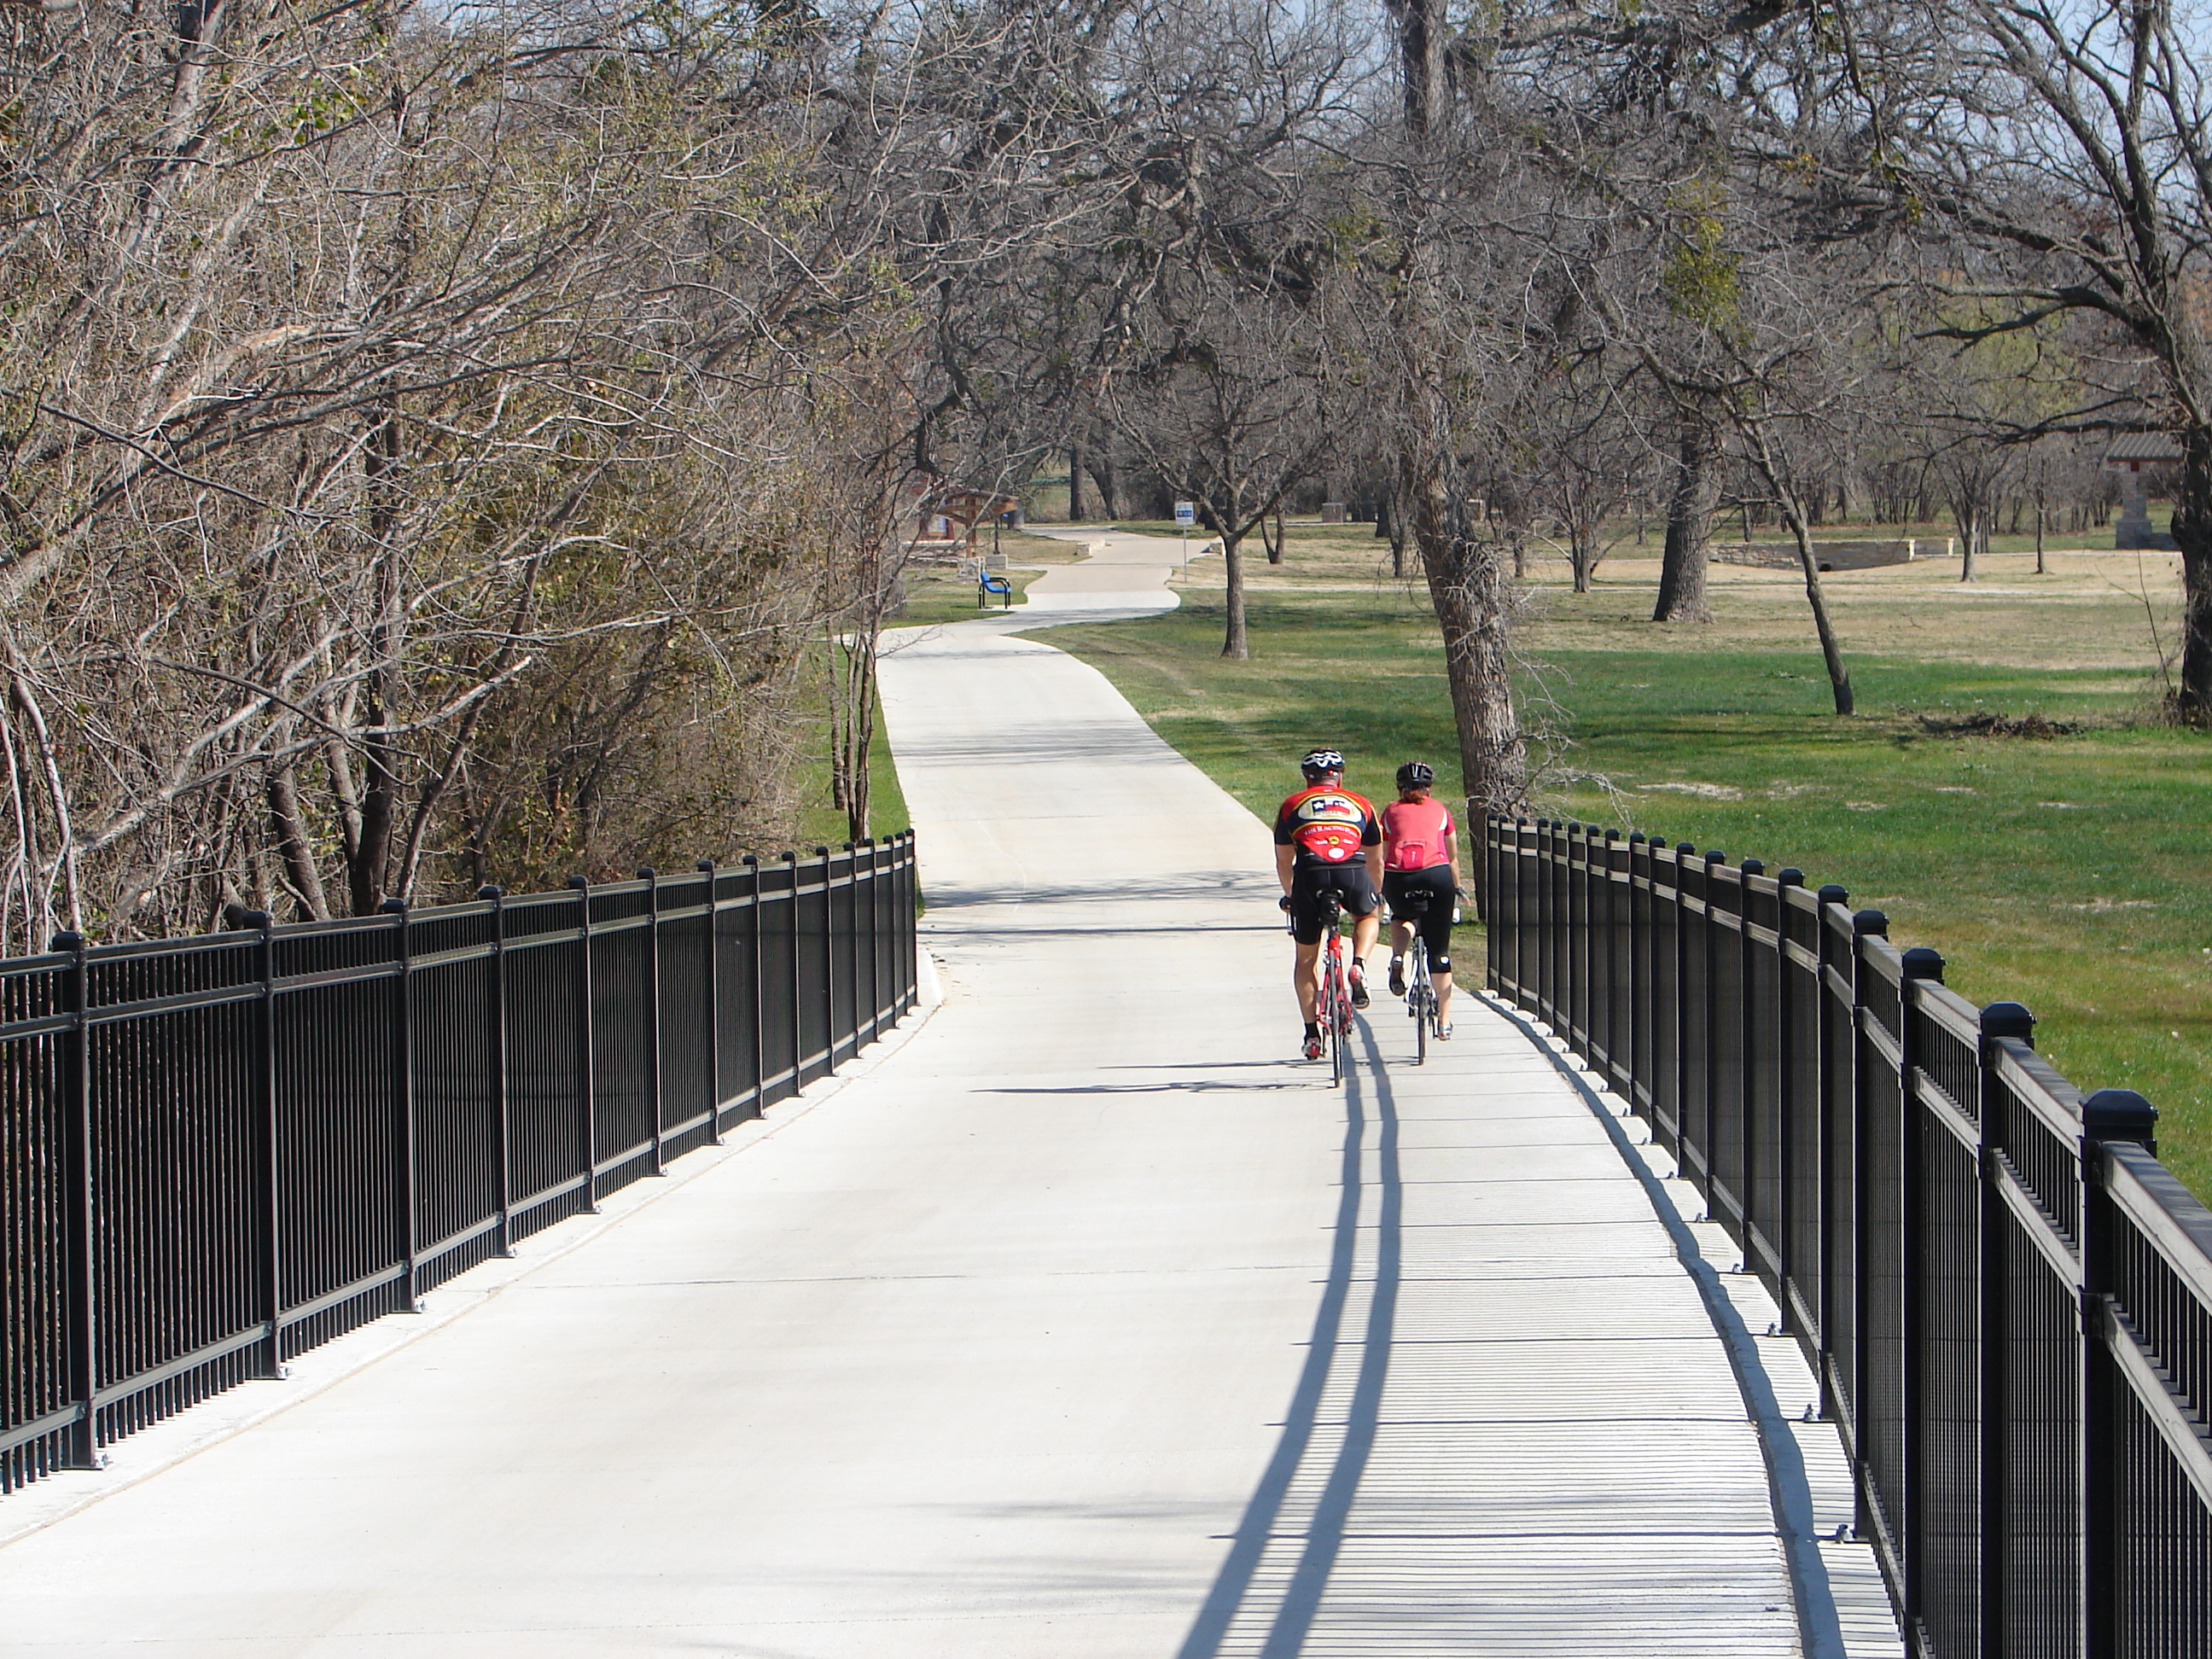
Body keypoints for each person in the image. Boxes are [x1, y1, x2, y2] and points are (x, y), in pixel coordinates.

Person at [1274, 748, 1382, 1060]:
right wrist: (1375, 893)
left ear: (1308, 778)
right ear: (1340, 776)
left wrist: (1291, 895)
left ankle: (1311, 1035)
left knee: (1305, 961)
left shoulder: (1292, 804)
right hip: (1351, 870)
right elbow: (1375, 857)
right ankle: (1358, 965)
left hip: (1310, 874)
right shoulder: (1361, 803)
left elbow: (1284, 859)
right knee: (1367, 916)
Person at [1380, 760, 1458, 1039]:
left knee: (1402, 916)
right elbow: (1452, 856)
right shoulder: (1441, 811)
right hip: (1436, 875)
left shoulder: (1389, 812)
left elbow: (1384, 852)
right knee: (1439, 950)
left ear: (1400, 788)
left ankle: (1398, 957)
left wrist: (1380, 888)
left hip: (1399, 877)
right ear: (1429, 788)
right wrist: (1457, 889)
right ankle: (1445, 1023)